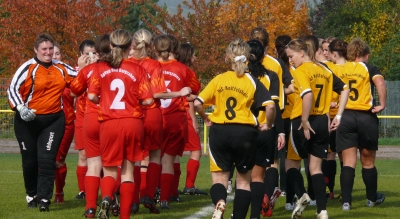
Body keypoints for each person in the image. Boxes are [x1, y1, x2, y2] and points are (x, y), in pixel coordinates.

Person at [194, 38, 276, 219]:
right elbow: (270, 106)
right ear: (247, 57)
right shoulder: (252, 81)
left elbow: (198, 103)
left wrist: (206, 117)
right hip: (245, 133)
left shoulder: (219, 79)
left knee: (220, 180)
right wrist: (268, 124)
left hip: (220, 131)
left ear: (228, 57)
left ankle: (220, 202)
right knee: (244, 181)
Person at [87, 29, 153, 219]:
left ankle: (107, 197)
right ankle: (124, 216)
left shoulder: (100, 68)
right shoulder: (138, 69)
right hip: (132, 122)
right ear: (130, 46)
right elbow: (148, 100)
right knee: (128, 172)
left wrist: (105, 101)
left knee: (108, 169)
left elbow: (91, 96)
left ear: (110, 45)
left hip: (109, 122)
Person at [7, 33, 76, 211]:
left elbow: (80, 76)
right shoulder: (27, 68)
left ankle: (45, 199)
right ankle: (31, 194)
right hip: (27, 122)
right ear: (36, 50)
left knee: (47, 159)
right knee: (30, 161)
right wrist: (21, 108)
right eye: (44, 49)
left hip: (53, 120)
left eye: (51, 48)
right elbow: (12, 89)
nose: (48, 52)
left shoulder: (61, 67)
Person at [285, 38, 349, 219]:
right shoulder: (325, 69)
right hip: (322, 120)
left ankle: (302, 194)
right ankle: (322, 211)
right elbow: (345, 88)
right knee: (316, 168)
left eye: (291, 56)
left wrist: (304, 120)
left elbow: (307, 94)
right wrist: (339, 115)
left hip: (301, 120)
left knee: (291, 163)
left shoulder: (300, 70)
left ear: (302, 53)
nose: (290, 60)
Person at [128, 29, 190, 214]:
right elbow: (156, 93)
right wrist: (179, 93)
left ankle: (134, 199)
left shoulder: (126, 64)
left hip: (133, 114)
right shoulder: (154, 65)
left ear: (133, 44)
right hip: (153, 114)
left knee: (135, 159)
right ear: (151, 45)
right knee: (156, 156)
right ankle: (148, 195)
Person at [335, 37, 387, 211]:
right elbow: (379, 82)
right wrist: (382, 104)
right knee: (368, 161)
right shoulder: (369, 68)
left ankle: (346, 202)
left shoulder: (340, 69)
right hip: (365, 116)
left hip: (346, 116)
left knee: (348, 162)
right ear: (366, 54)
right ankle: (371, 199)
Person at [154, 34, 199, 209]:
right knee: (169, 160)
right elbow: (194, 89)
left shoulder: (149, 66)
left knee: (149, 159)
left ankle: (148, 194)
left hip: (154, 115)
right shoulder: (183, 69)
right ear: (174, 49)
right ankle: (166, 197)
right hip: (175, 117)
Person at [70, 34, 110, 218]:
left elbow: (73, 90)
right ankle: (112, 201)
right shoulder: (125, 68)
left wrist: (84, 71)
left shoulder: (89, 70)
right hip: (114, 118)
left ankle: (90, 207)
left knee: (94, 163)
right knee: (114, 164)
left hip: (92, 116)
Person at [245, 40, 284, 219]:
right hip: (264, 129)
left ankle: (238, 212)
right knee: (259, 176)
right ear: (264, 56)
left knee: (243, 178)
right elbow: (274, 106)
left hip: (243, 128)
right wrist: (280, 130)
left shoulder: (239, 75)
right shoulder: (271, 76)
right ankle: (256, 214)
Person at [175, 43, 208, 196]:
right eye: (194, 54)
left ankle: (169, 189)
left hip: (170, 114)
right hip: (184, 114)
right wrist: (194, 121)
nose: (195, 57)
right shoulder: (187, 72)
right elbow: (189, 97)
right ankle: (189, 186)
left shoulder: (172, 68)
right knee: (196, 151)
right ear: (188, 55)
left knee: (171, 154)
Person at [52, 43, 77, 204]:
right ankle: (41, 193)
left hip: (67, 123)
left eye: (57, 54)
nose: (54, 56)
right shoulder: (42, 75)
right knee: (44, 160)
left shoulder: (69, 76)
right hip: (48, 123)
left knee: (58, 160)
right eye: (51, 53)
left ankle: (59, 193)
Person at [74, 39, 97, 200]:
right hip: (82, 116)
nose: (90, 57)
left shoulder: (102, 69)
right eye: (87, 54)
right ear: (80, 56)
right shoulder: (76, 70)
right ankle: (83, 190)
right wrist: (82, 71)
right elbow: (72, 94)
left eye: (94, 53)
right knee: (83, 155)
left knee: (100, 156)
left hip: (98, 115)